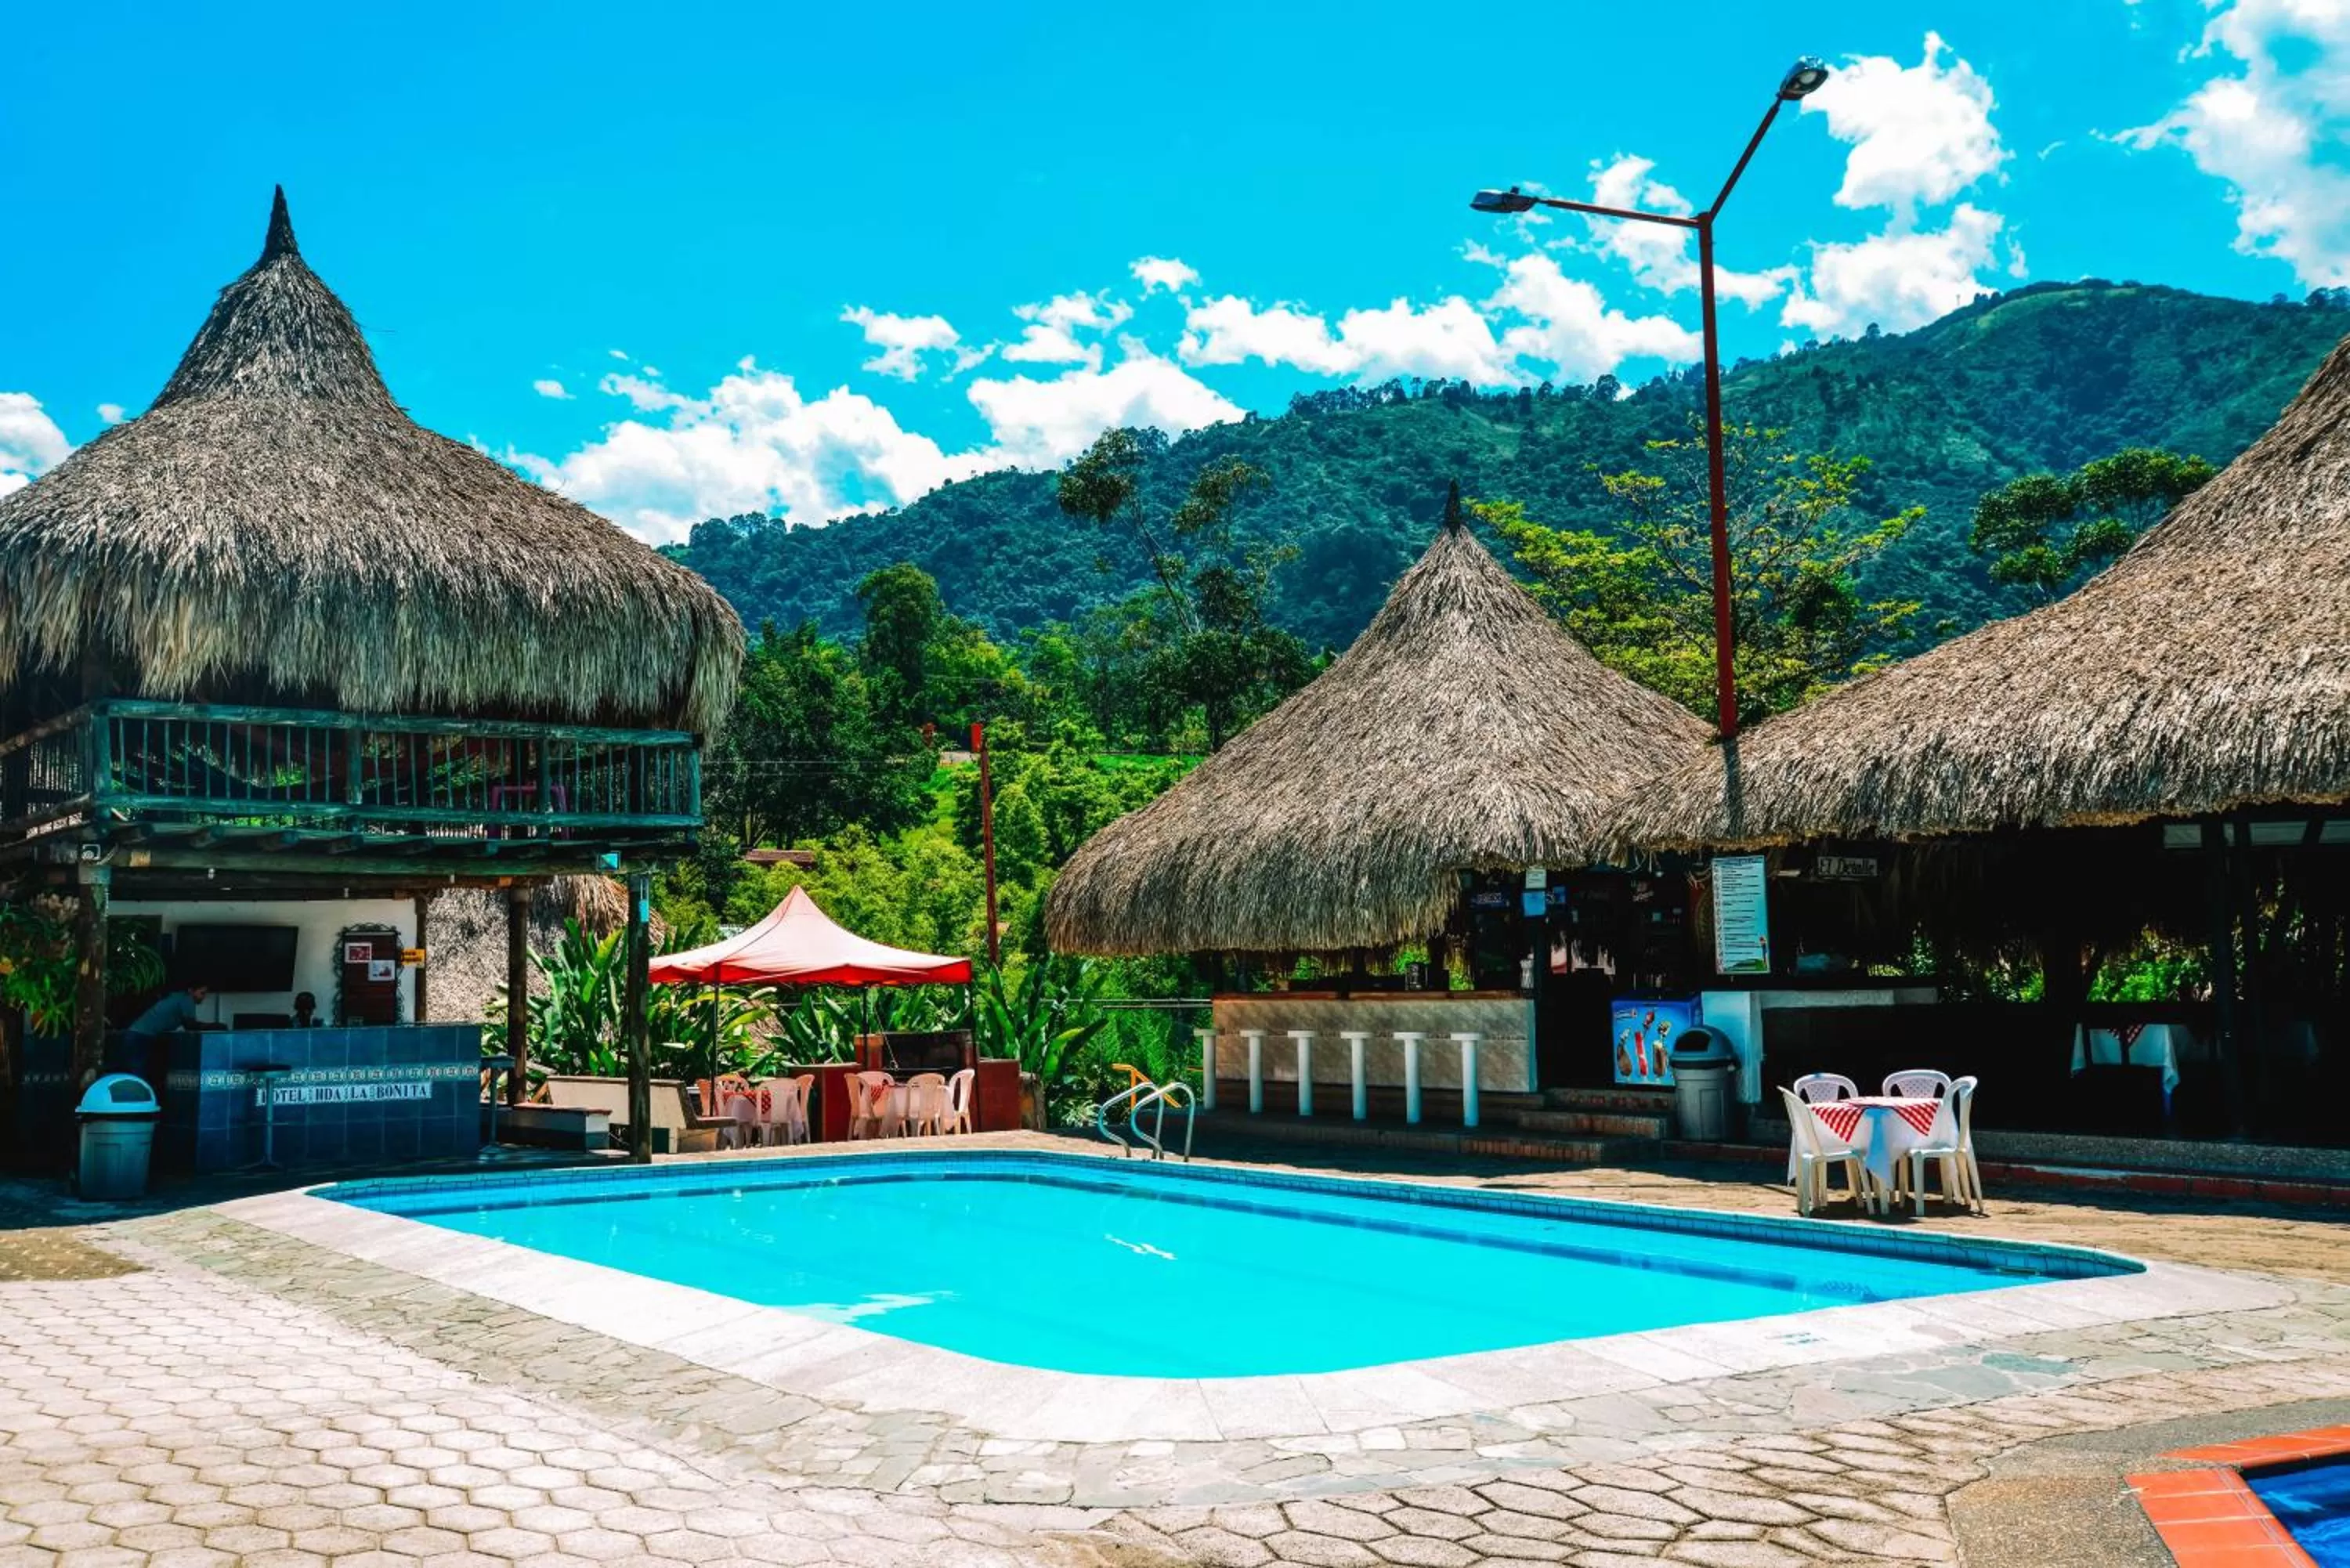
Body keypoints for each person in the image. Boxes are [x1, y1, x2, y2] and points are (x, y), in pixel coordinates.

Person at [128, 985, 215, 1038]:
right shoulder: (187, 999)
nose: (204, 997)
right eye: (202, 993)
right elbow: (191, 1025)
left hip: (136, 1032)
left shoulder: (177, 996)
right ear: (191, 991)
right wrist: (214, 1026)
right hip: (142, 1035)